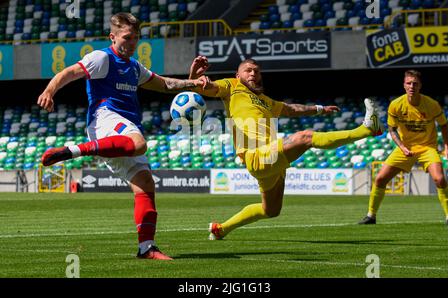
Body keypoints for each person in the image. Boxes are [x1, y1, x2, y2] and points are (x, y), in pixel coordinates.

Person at [37, 12, 208, 260]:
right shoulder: (102, 58)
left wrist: (192, 81)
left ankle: (146, 247)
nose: (132, 43)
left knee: (145, 184)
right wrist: (49, 91)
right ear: (113, 37)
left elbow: (164, 84)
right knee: (139, 143)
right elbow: (69, 73)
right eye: (127, 37)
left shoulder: (134, 67)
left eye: (136, 38)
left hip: (123, 127)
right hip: (105, 118)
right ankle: (73, 150)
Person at [188, 57, 384, 240]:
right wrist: (195, 76)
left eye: (256, 71)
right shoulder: (232, 86)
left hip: (271, 158)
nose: (253, 74)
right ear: (238, 75)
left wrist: (319, 109)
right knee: (305, 137)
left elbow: (291, 109)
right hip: (255, 156)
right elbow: (204, 88)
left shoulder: (265, 100)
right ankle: (366, 129)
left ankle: (220, 229)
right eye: (248, 71)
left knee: (270, 210)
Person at [359, 70, 448, 225]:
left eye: (415, 83)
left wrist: (447, 147)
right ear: (404, 85)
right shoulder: (396, 105)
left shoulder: (432, 105)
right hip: (405, 147)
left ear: (420, 85)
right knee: (380, 179)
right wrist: (402, 147)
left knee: (440, 179)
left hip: (427, 148)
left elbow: (444, 125)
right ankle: (371, 216)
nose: (412, 86)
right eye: (409, 83)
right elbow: (392, 130)